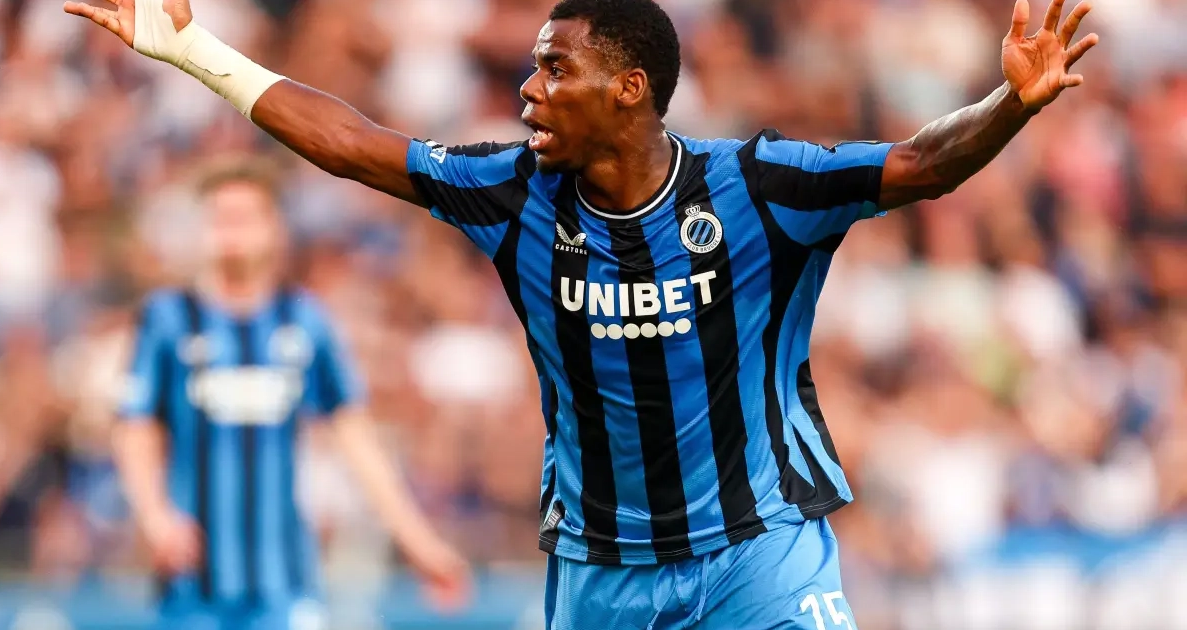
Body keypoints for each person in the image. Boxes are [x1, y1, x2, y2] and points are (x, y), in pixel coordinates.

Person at [64, 0, 1098, 626]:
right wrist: (196, 51)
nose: (528, 88)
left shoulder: (760, 185)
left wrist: (1008, 103)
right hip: (602, 569)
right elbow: (352, 145)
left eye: (554, 68)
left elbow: (920, 164)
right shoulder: (512, 192)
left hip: (761, 555)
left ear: (628, 88)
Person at [112, 156, 470, 630]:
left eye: (243, 217)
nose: (230, 231)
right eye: (219, 217)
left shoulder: (304, 319)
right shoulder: (167, 319)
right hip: (190, 587)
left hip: (284, 586)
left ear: (274, 229)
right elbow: (135, 428)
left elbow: (355, 436)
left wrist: (418, 541)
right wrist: (155, 516)